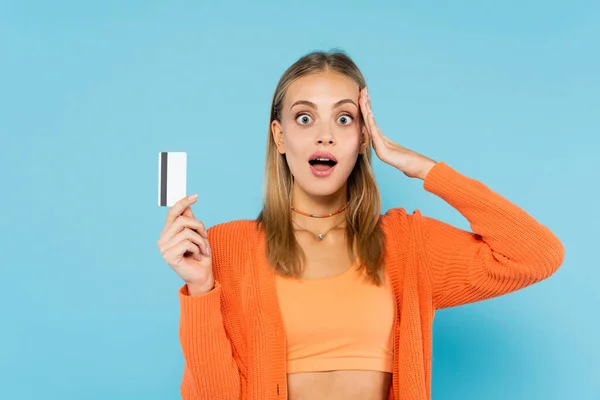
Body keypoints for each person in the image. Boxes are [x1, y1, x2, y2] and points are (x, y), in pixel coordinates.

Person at [157, 50, 564, 400]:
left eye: (344, 119)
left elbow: (536, 255)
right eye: (304, 118)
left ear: (364, 137)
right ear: (279, 137)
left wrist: (422, 168)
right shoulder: (226, 247)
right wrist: (200, 290)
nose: (325, 137)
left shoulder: (408, 244)